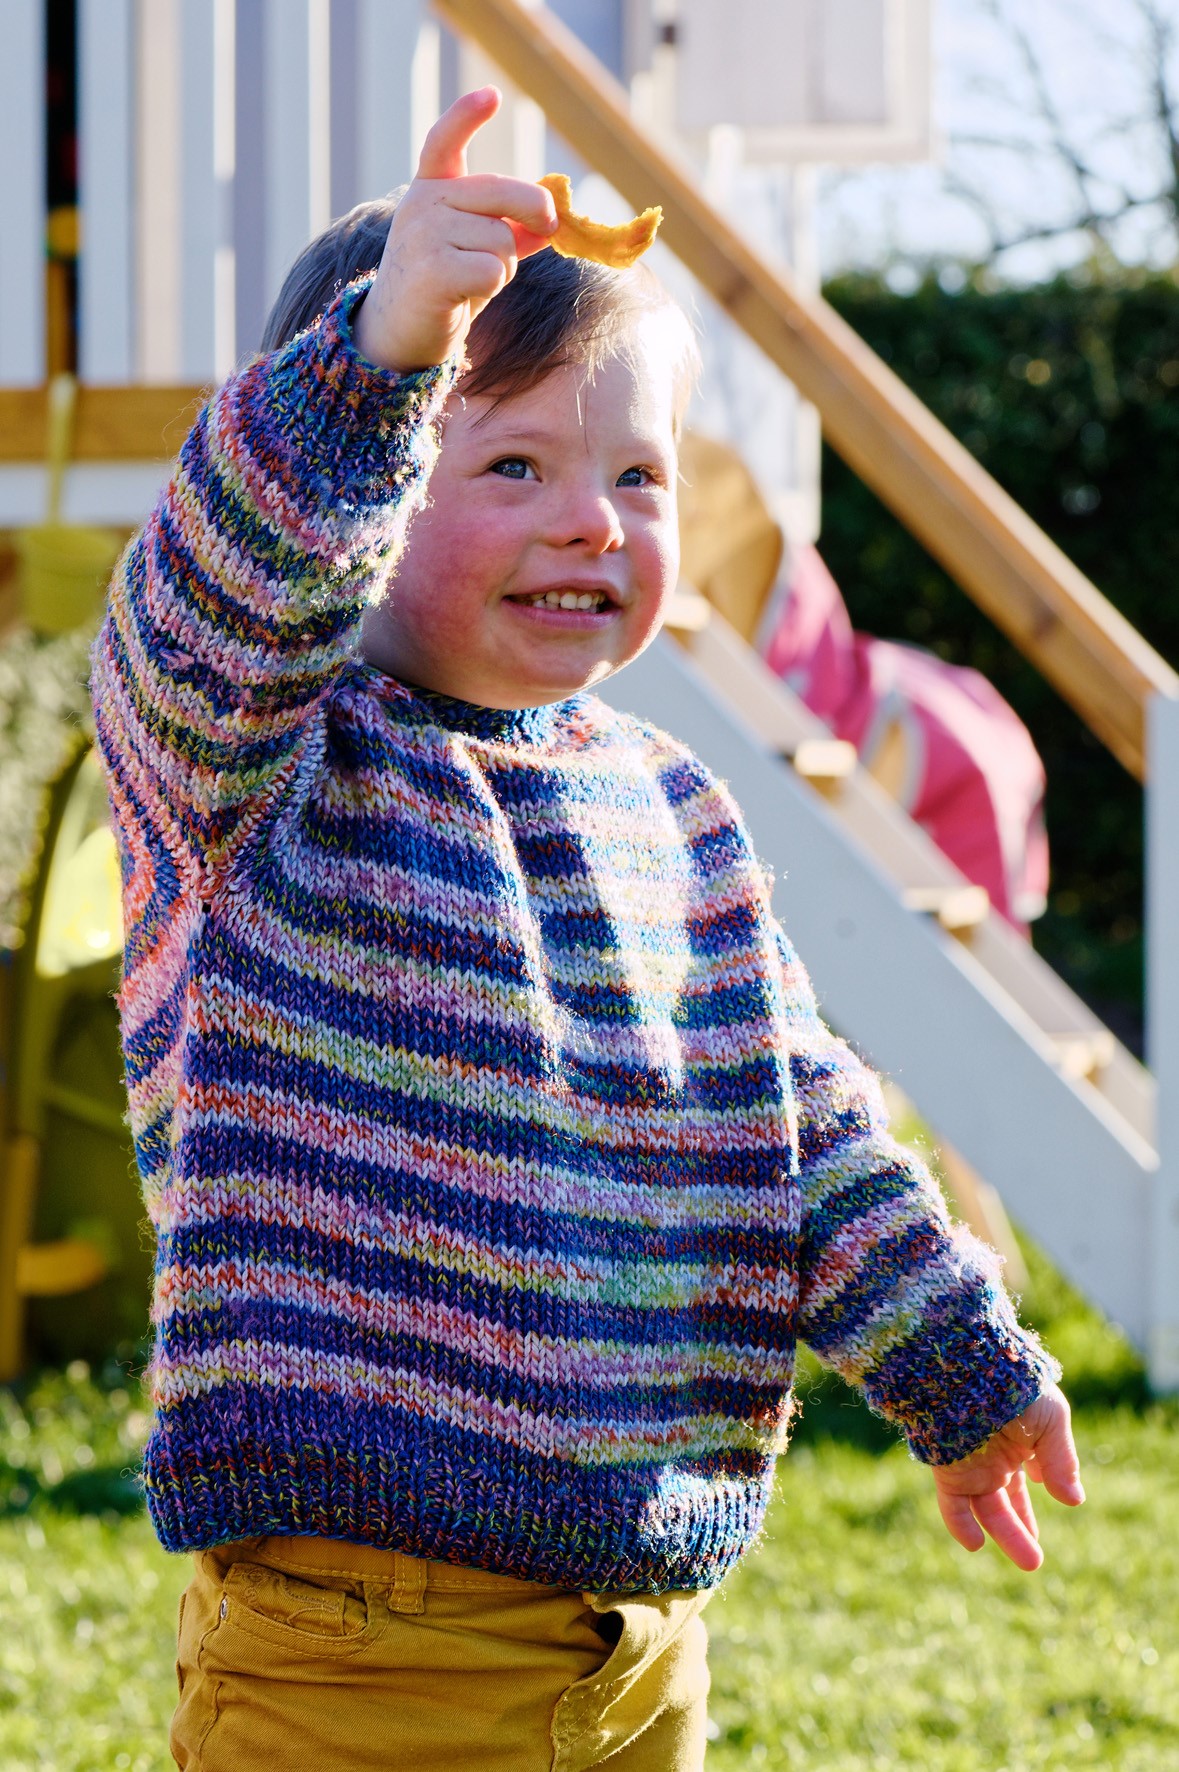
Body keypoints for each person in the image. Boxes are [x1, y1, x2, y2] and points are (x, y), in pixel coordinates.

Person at [91, 86, 1084, 1772]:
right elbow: (207, 609)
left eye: (638, 470)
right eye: (515, 463)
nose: (592, 519)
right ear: (373, 477)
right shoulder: (258, 774)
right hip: (357, 1641)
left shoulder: (676, 811)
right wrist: (376, 361)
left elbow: (795, 1122)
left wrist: (957, 1356)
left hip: (634, 1644)